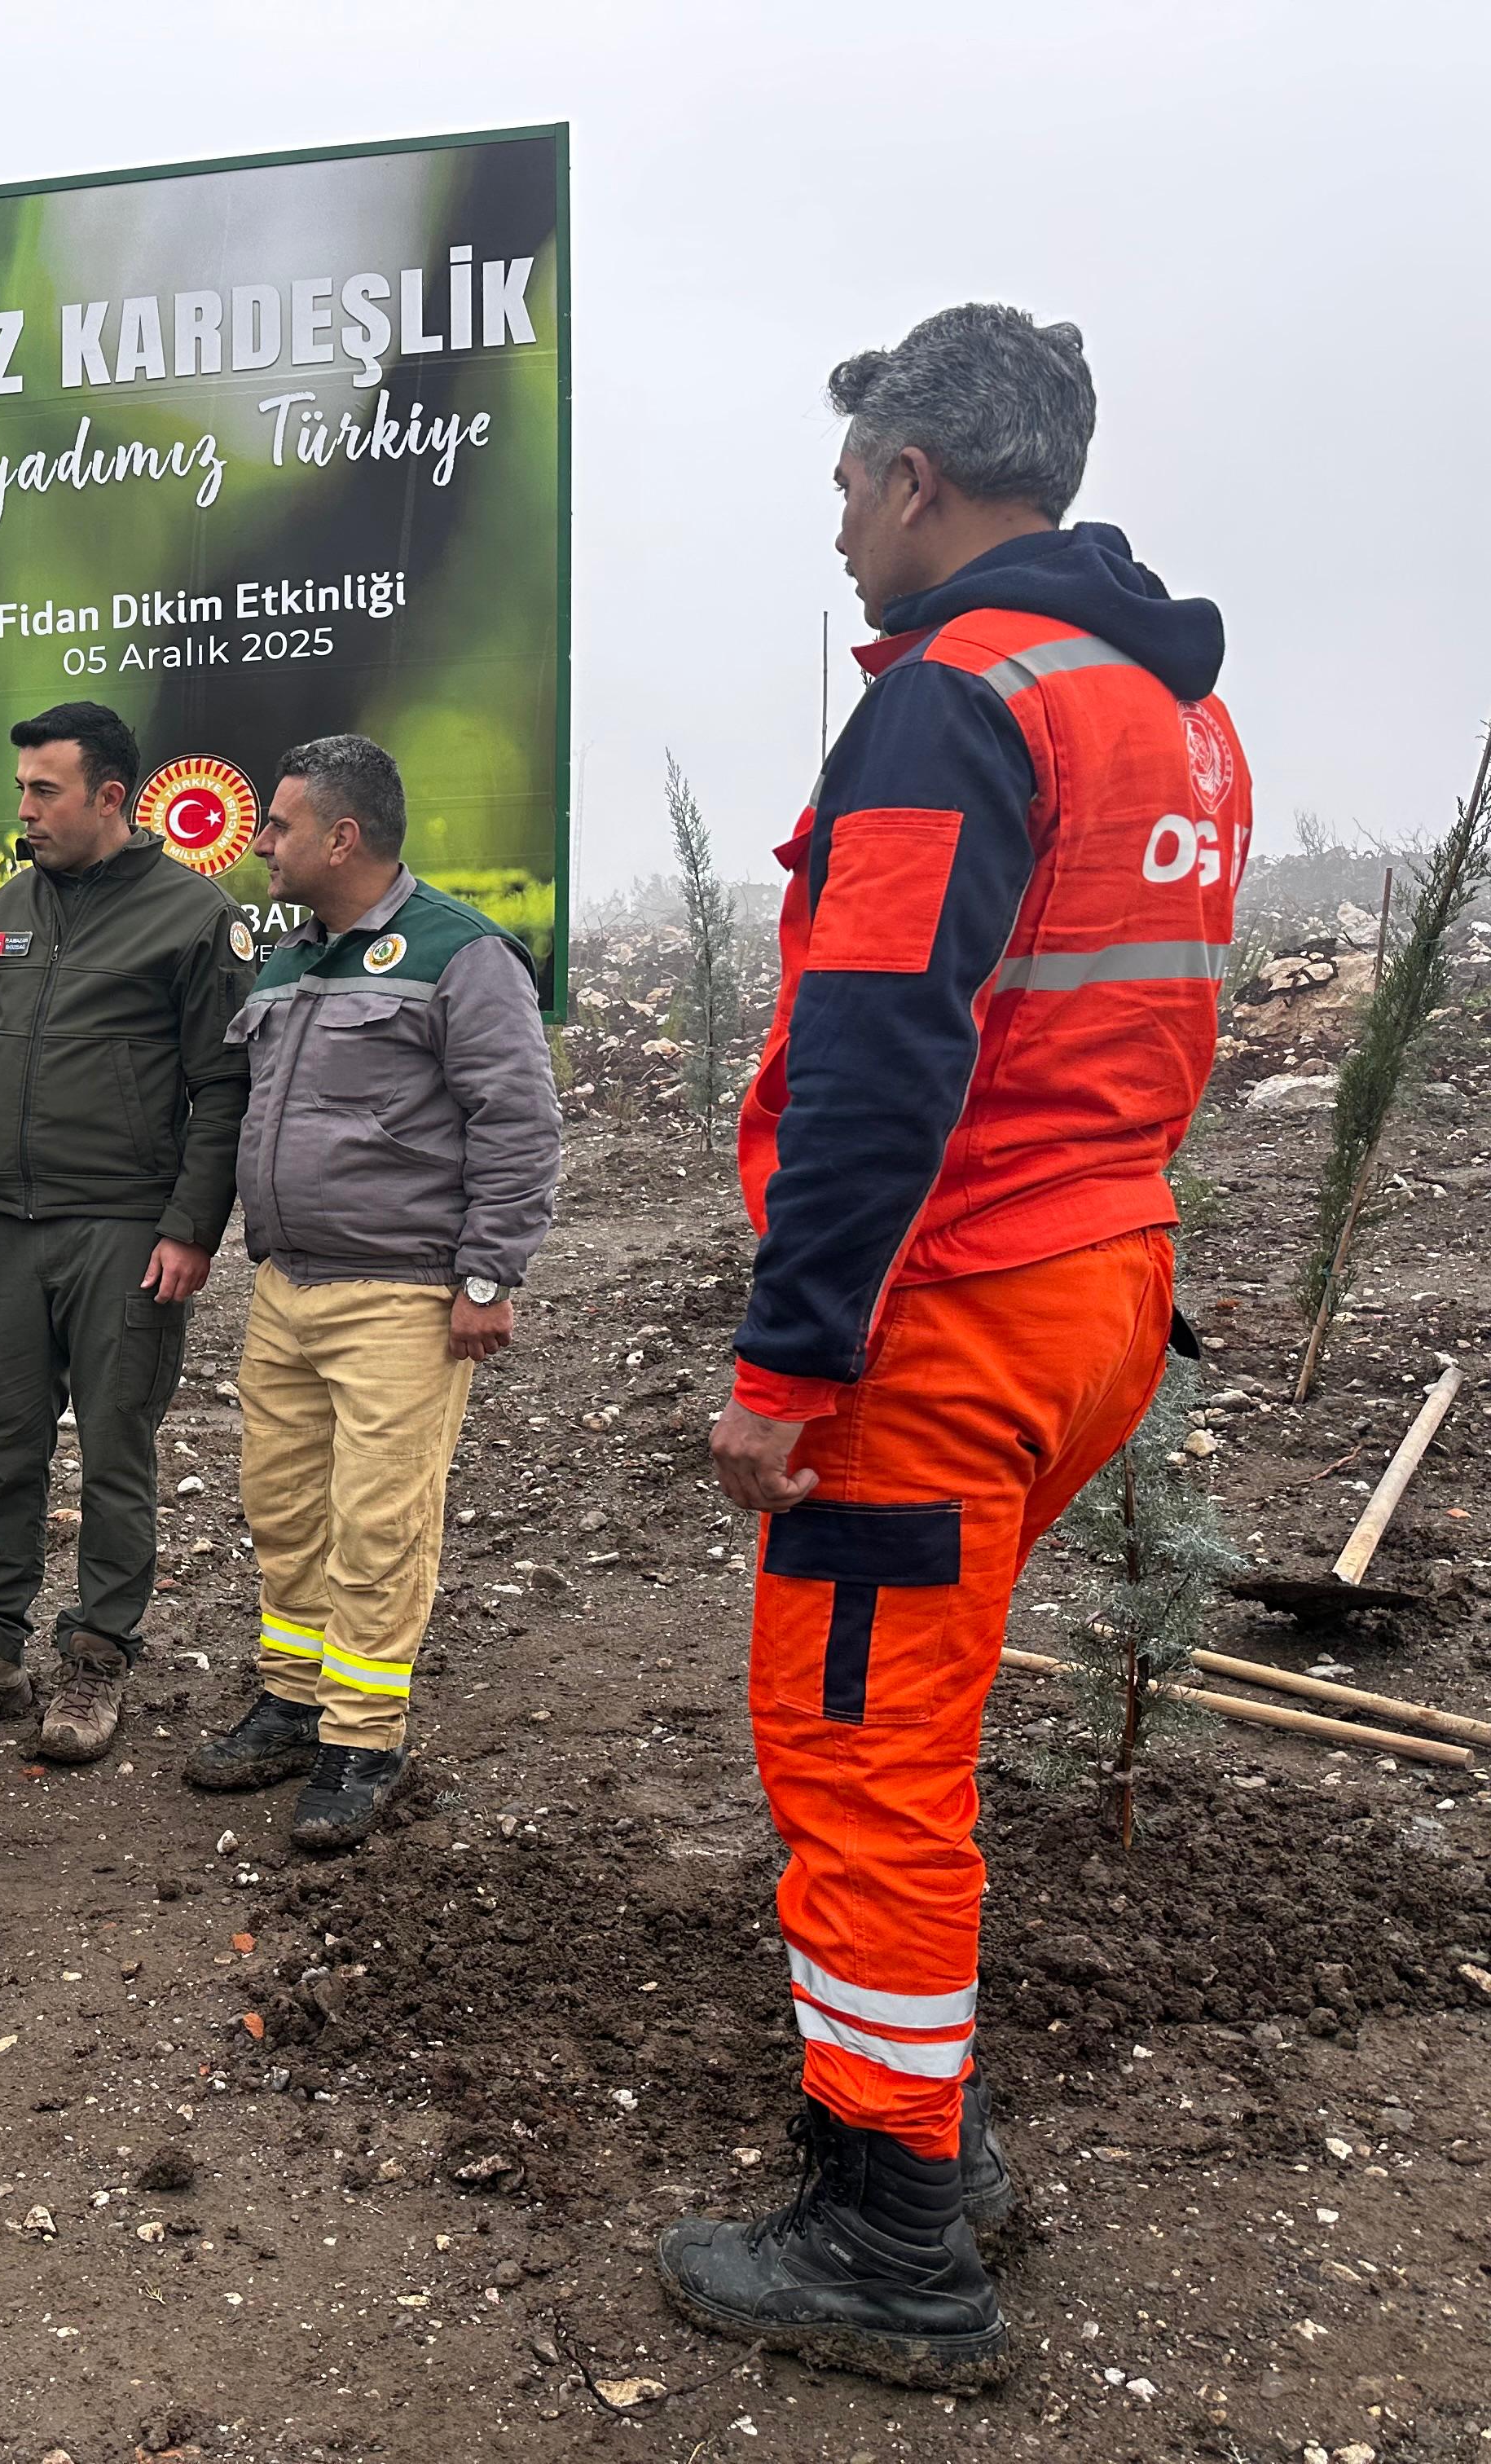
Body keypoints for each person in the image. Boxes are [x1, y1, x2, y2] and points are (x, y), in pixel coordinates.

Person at [658, 305, 1247, 2392]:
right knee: (924, 1722)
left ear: (916, 476)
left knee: (862, 1754)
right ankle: (924, 2122)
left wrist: (785, 1370)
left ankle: (894, 2231)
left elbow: (878, 1056)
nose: (836, 531)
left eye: (847, 487)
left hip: (947, 1320)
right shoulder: (1168, 715)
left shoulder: (953, 705)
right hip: (1099, 1289)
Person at [181, 734, 558, 1850]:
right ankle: (294, 1703)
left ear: (343, 837)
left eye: (282, 825)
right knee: (286, 1509)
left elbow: (519, 1124)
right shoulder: (290, 960)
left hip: (402, 1296)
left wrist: (489, 1276)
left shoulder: (460, 953)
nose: (263, 843)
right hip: (288, 1286)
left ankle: (364, 1740)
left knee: (381, 1522)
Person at [0, 702, 255, 1762]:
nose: (25, 809)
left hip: (123, 1232)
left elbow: (223, 1089)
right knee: (2, 1446)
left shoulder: (193, 917)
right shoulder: (7, 911)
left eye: (44, 791)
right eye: (20, 789)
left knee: (114, 1451)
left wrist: (189, 1228)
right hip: (9, 1227)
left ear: (110, 798)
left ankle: (97, 1658)